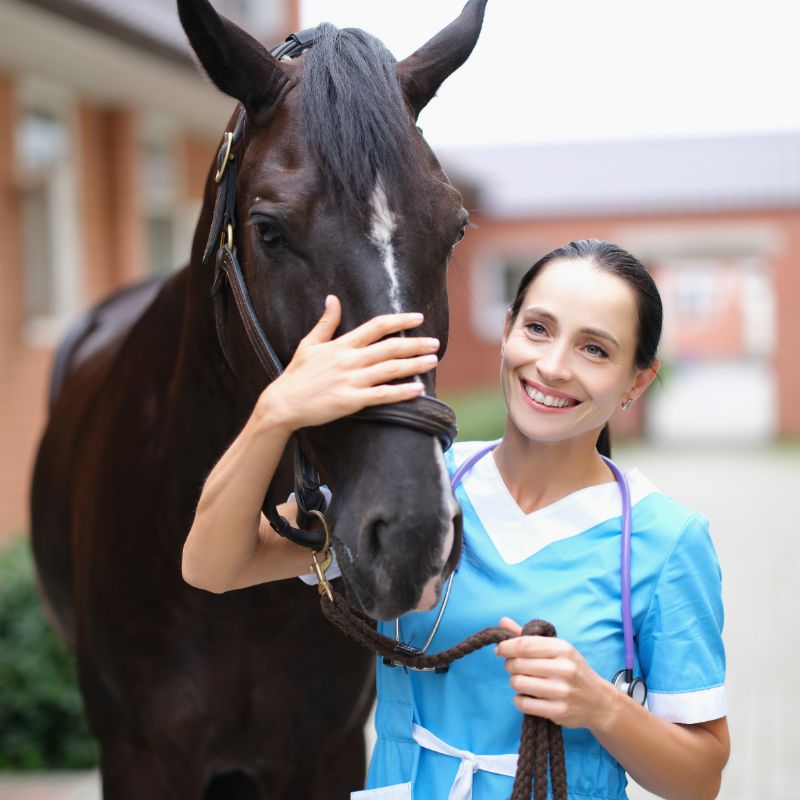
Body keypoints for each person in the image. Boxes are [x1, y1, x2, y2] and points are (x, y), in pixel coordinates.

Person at [182, 239, 730, 799]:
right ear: (508, 329)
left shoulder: (665, 542)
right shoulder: (413, 486)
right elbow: (214, 565)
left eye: (595, 349)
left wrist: (602, 707)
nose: (553, 366)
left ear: (636, 382)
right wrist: (275, 412)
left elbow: (700, 778)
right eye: (538, 329)